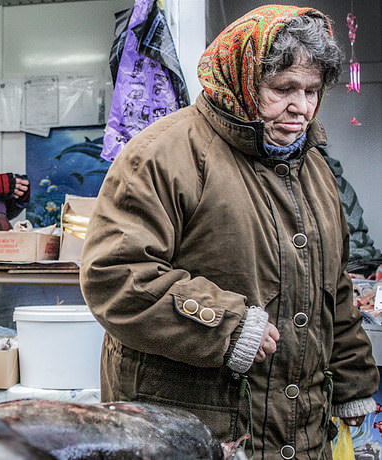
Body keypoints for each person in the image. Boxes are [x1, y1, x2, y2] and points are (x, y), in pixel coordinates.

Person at [80, 5, 379, 459]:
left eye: (312, 90)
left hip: (299, 430)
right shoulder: (163, 155)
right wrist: (226, 324)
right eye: (282, 90)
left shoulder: (313, 166)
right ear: (240, 79)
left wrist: (353, 379)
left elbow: (332, 289)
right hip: (197, 427)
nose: (301, 107)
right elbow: (115, 274)